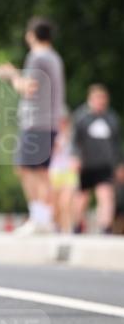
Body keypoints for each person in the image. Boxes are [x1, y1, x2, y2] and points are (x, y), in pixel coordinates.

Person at [0, 16, 65, 235]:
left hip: (36, 122)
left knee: (26, 169)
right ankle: (46, 218)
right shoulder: (55, 58)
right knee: (41, 171)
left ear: (31, 35)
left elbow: (28, 88)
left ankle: (38, 218)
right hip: (50, 121)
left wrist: (11, 75)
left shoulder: (37, 57)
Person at [71, 85, 122, 234]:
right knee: (82, 197)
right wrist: (75, 157)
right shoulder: (81, 116)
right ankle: (77, 225)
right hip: (86, 164)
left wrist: (119, 164)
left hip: (105, 164)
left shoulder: (112, 118)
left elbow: (116, 144)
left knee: (106, 195)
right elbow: (74, 141)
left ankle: (106, 227)